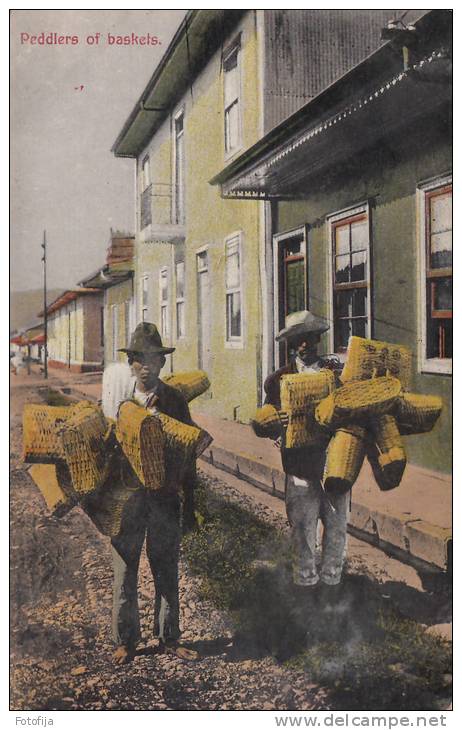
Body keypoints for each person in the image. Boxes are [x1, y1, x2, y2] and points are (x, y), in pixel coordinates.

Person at [102, 322, 198, 663]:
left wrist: (190, 500)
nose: (146, 365)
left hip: (164, 497)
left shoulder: (174, 400)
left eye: (153, 359)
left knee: (166, 566)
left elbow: (189, 452)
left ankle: (169, 637)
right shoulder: (119, 400)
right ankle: (126, 641)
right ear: (131, 364)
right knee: (125, 568)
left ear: (162, 364)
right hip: (129, 498)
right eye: (139, 359)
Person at [263, 310, 346, 606]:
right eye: (298, 340)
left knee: (336, 526)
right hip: (300, 464)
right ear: (290, 344)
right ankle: (306, 589)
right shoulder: (277, 381)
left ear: (318, 340)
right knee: (303, 528)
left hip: (335, 461)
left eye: (310, 338)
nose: (304, 345)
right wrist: (277, 426)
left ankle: (332, 587)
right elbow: (267, 420)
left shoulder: (336, 375)